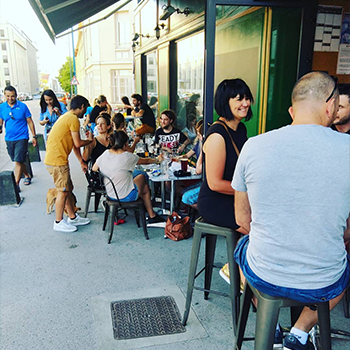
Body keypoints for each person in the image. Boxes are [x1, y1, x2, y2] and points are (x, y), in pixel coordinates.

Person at [232, 72, 350, 350]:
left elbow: (241, 219)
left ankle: (269, 322)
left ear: (291, 110)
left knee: (242, 248)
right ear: (330, 105)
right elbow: (347, 230)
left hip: (265, 272)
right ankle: (299, 332)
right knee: (342, 270)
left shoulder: (254, 145)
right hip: (324, 279)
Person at [197, 78, 252, 232]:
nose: (246, 103)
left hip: (235, 197)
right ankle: (241, 255)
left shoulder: (241, 129)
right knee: (261, 231)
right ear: (225, 102)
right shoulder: (217, 135)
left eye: (247, 98)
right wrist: (251, 191)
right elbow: (215, 184)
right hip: (216, 203)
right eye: (239, 99)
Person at [92, 131, 165, 225]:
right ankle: (151, 213)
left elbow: (94, 168)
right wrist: (157, 160)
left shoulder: (105, 154)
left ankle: (152, 215)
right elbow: (146, 160)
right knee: (142, 176)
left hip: (110, 194)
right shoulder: (127, 157)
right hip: (125, 196)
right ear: (125, 144)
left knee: (145, 188)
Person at [45, 95, 93, 233]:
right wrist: (90, 141)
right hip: (57, 161)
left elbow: (73, 144)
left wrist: (81, 161)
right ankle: (58, 221)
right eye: (85, 110)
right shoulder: (73, 119)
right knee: (63, 191)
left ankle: (72, 217)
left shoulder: (66, 117)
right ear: (82, 107)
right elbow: (78, 143)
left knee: (68, 188)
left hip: (56, 159)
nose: (85, 114)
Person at [0, 85, 37, 191]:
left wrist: (34, 136)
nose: (10, 98)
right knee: (17, 161)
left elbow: (29, 121)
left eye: (12, 96)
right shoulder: (2, 107)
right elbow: (1, 120)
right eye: (7, 96)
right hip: (9, 138)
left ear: (16, 96)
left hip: (22, 137)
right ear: (4, 96)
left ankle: (16, 185)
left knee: (18, 161)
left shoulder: (22, 106)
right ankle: (27, 175)